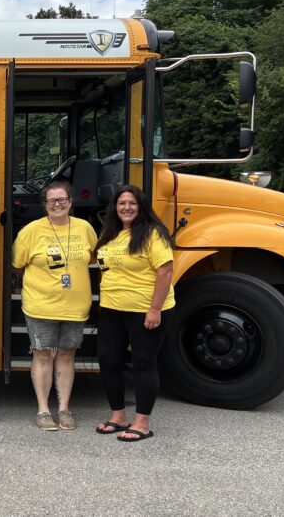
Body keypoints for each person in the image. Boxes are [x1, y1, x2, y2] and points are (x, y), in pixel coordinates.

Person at [12, 179, 97, 431]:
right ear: (45, 204)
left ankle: (64, 409)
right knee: (42, 354)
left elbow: (92, 257)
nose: (57, 204)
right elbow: (17, 263)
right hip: (40, 305)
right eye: (51, 201)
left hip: (75, 305)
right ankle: (43, 410)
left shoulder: (85, 228)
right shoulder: (31, 231)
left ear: (70, 202)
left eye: (62, 200)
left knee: (67, 355)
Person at [94, 185, 175, 442]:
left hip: (144, 309)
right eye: (121, 204)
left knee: (143, 363)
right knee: (108, 361)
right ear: (115, 208)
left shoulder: (153, 234)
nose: (126, 208)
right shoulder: (111, 234)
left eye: (132, 203)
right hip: (111, 308)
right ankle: (118, 416)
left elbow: (165, 271)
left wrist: (155, 309)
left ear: (140, 207)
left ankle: (142, 422)